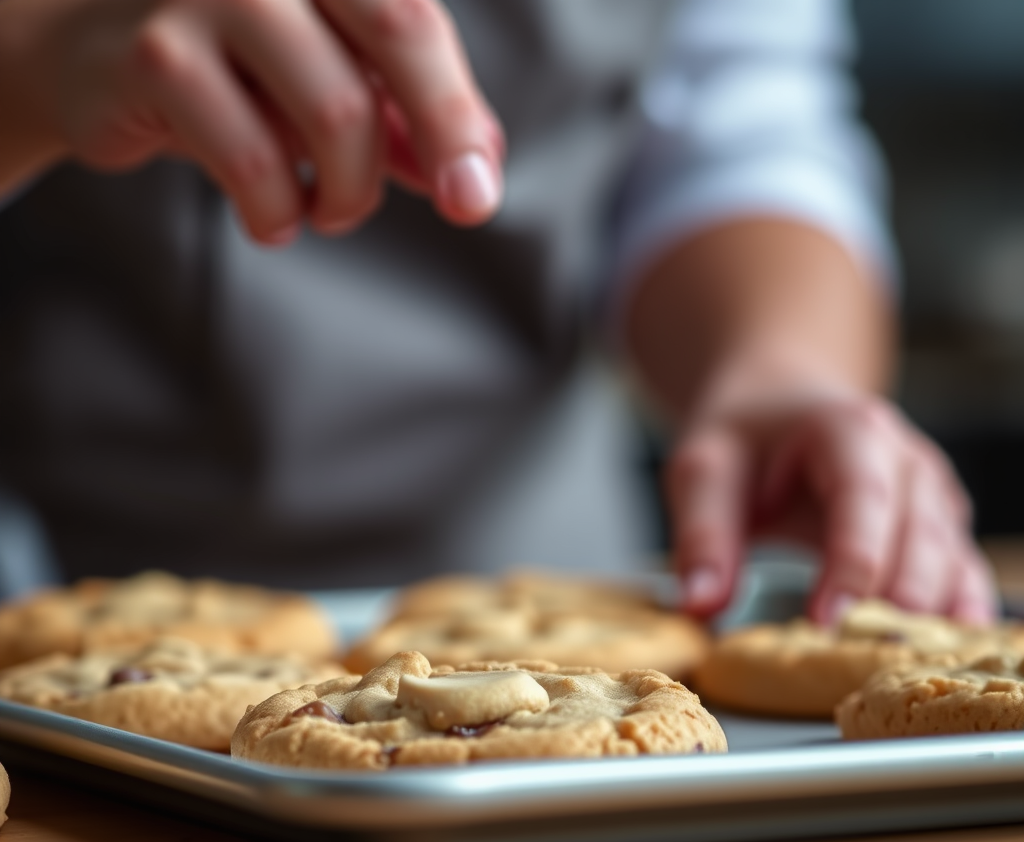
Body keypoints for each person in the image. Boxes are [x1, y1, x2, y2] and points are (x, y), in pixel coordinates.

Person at [0, 0, 996, 623]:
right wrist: (35, 57)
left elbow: (732, 122)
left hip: (556, 587)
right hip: (56, 593)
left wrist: (775, 370)